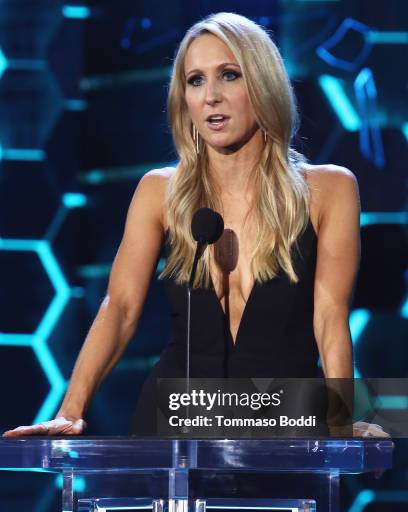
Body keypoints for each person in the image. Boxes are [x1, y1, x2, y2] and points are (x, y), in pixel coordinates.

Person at [3, 12, 387, 439]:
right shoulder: (160, 191)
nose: (211, 97)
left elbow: (330, 315)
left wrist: (342, 417)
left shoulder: (328, 189)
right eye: (195, 80)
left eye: (229, 75)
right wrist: (71, 411)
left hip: (282, 421)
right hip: (178, 421)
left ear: (263, 85)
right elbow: (121, 308)